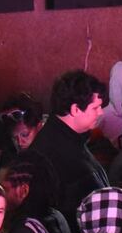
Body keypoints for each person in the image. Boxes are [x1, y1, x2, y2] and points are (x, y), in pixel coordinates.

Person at [31, 70, 110, 218]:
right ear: (75, 109)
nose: (101, 113)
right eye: (95, 108)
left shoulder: (71, 137)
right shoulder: (57, 153)